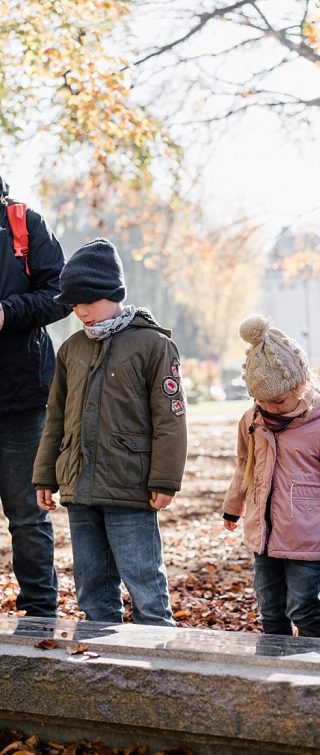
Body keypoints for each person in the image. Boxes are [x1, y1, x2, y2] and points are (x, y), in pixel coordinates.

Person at [32, 238, 187, 626]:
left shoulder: (153, 345)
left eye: (88, 300)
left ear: (112, 294)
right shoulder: (70, 350)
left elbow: (171, 419)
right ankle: (101, 656)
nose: (80, 311)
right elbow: (55, 419)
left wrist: (165, 479)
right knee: (91, 583)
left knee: (144, 580)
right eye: (73, 304)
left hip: (129, 487)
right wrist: (45, 475)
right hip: (80, 487)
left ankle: (159, 655)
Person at [222, 314, 320, 638]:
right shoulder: (252, 421)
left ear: (301, 384)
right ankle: (275, 665)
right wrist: (234, 506)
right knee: (270, 607)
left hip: (308, 536)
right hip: (264, 534)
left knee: (302, 605)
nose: (272, 408)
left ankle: (316, 664)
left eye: (280, 400)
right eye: (263, 401)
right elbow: (244, 465)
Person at [0, 174, 71, 617]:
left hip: (20, 399)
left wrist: (8, 312)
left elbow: (61, 293)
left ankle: (40, 610)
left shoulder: (23, 224)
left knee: (27, 516)